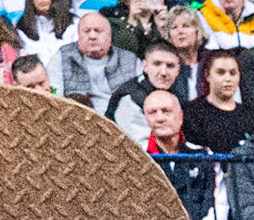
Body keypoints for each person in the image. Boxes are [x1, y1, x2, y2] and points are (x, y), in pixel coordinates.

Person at [142, 90, 215, 220]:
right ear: (146, 119)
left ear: (181, 116)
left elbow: (213, 202)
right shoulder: (140, 160)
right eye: (152, 113)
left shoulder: (202, 155)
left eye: (166, 111)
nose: (160, 119)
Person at [106, 42, 186, 147]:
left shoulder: (178, 93)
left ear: (178, 70)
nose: (163, 72)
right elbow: (140, 148)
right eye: (157, 64)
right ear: (145, 66)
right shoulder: (130, 97)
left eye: (170, 66)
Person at [59, 12, 141, 109]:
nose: (92, 36)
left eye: (98, 31)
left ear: (109, 36)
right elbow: (55, 95)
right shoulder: (62, 55)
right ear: (78, 35)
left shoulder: (130, 60)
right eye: (86, 31)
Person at [183, 51, 254, 154]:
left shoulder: (249, 114)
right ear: (207, 75)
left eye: (233, 73)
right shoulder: (191, 113)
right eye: (221, 72)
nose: (228, 79)